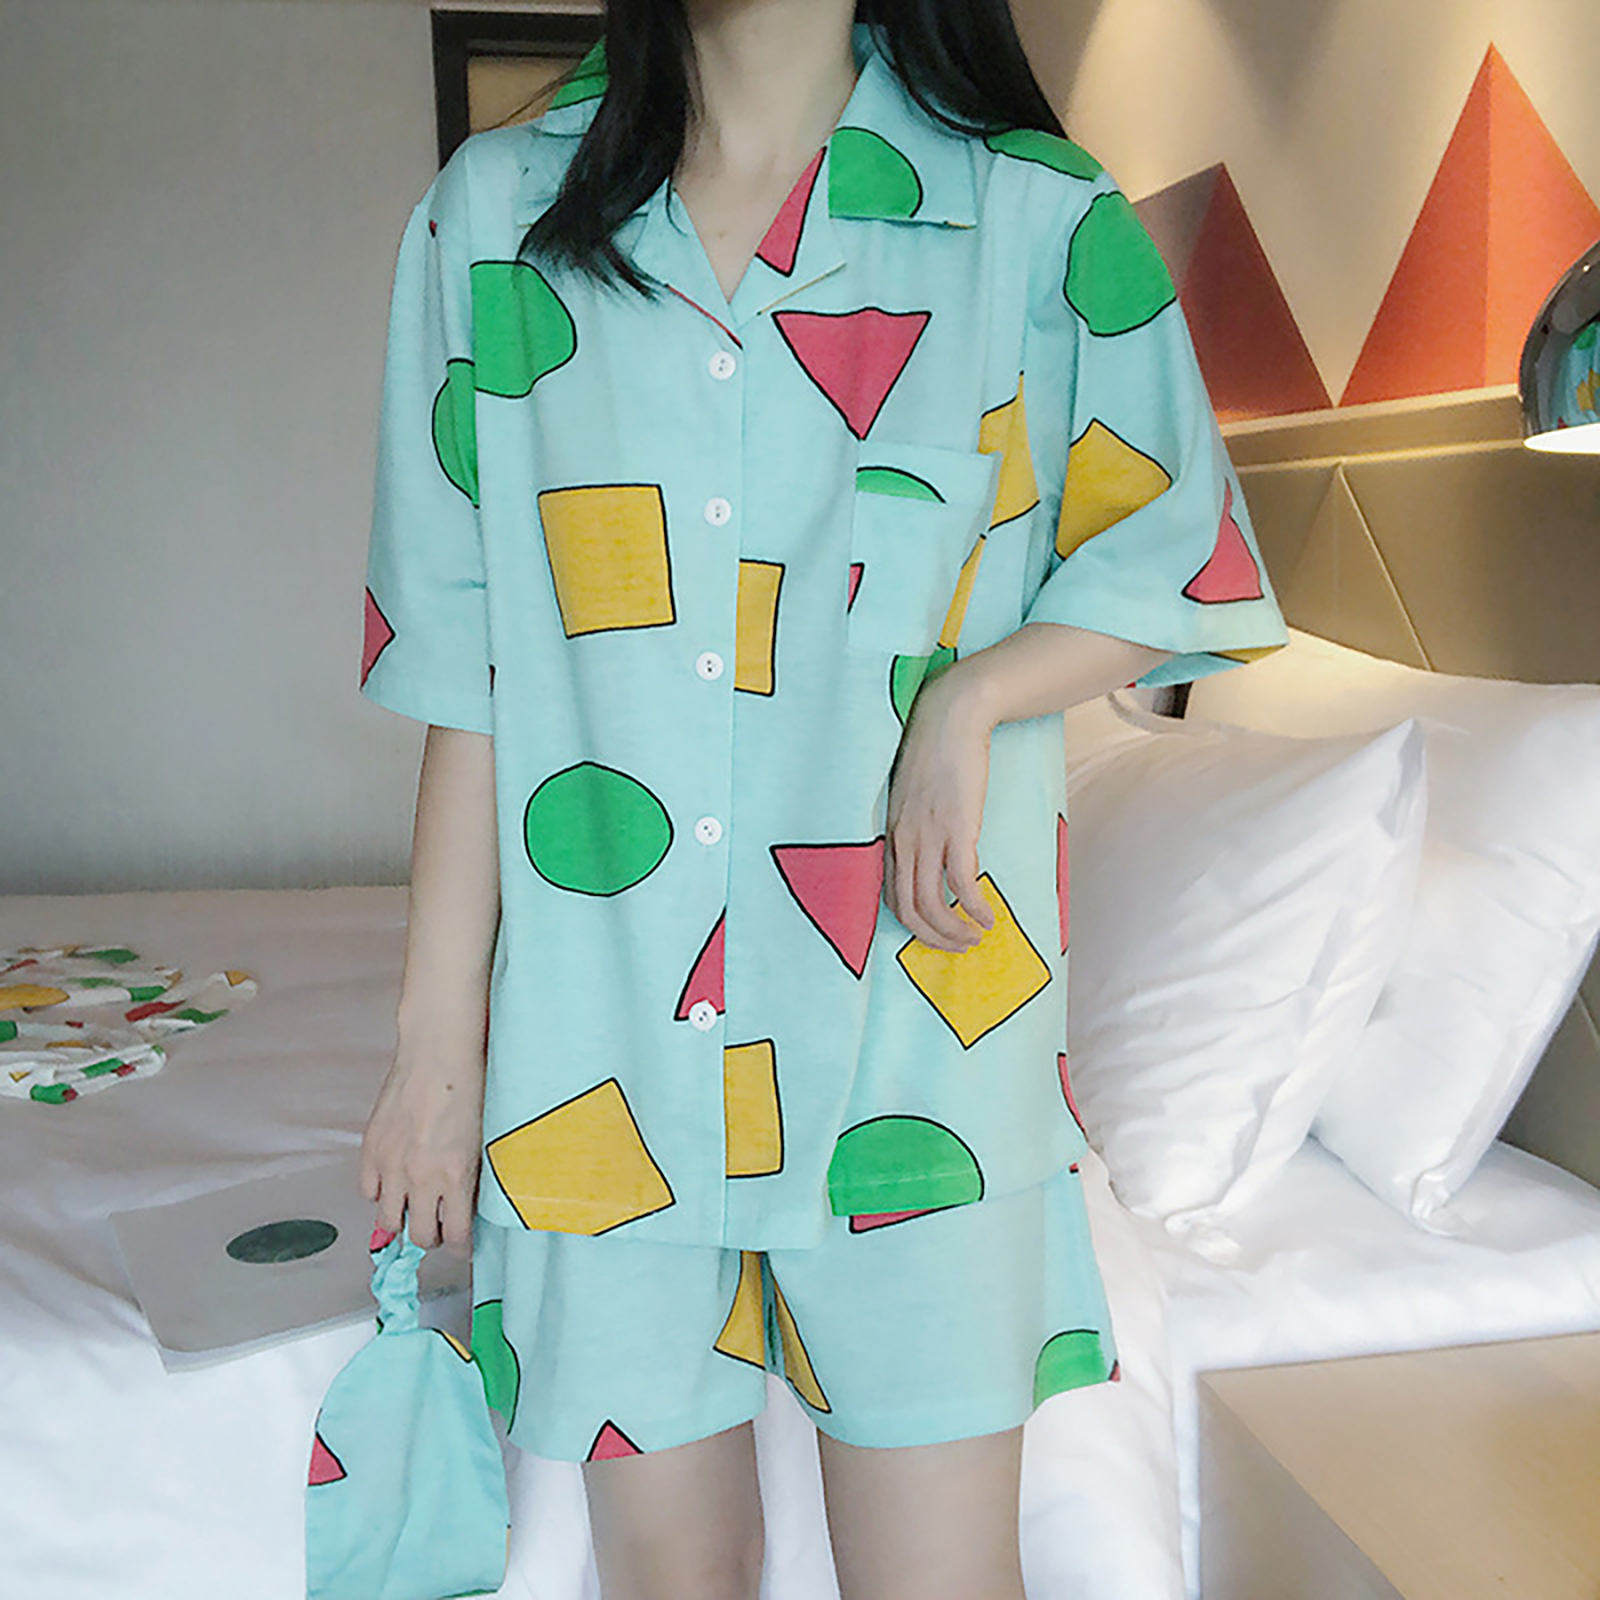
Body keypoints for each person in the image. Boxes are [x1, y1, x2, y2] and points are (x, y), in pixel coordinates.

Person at [356, 1, 1288, 1595]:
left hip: (924, 1039)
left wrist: (974, 696)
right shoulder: (492, 223)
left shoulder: (1035, 218)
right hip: (600, 1051)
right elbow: (470, 674)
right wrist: (433, 1055)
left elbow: (1178, 554)